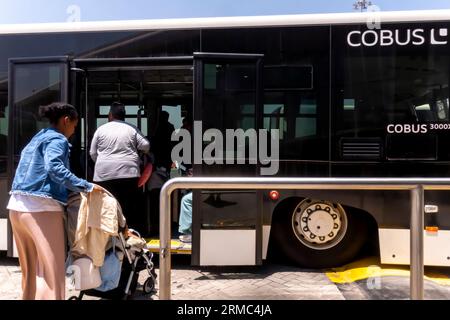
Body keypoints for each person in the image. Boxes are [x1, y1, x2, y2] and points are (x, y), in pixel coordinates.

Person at [7, 102, 101, 300]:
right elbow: (55, 168)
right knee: (52, 272)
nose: (73, 132)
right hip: (42, 208)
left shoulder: (37, 138)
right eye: (74, 126)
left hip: (16, 207)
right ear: (66, 121)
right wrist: (87, 186)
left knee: (30, 272)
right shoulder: (57, 140)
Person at [90, 102, 150, 230]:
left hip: (104, 175)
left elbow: (92, 153)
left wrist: (102, 163)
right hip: (129, 173)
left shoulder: (101, 129)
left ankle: (110, 234)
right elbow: (145, 145)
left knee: (107, 206)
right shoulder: (131, 128)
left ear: (110, 115)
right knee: (127, 205)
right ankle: (127, 234)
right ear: (124, 116)